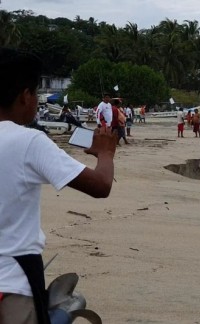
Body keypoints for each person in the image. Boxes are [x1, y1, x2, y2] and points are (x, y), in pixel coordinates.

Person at [0, 47, 117, 324]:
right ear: (25, 96)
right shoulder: (28, 141)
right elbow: (101, 186)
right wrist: (106, 154)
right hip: (12, 284)